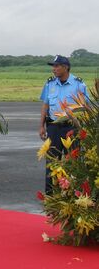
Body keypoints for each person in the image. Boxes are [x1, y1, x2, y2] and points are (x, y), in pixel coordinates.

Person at [39, 54, 90, 195]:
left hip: (72, 128)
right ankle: (50, 196)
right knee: (52, 161)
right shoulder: (50, 83)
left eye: (56, 66)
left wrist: (84, 128)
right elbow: (45, 105)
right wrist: (41, 126)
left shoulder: (78, 84)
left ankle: (73, 194)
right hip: (53, 127)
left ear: (65, 67)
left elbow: (86, 107)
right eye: (53, 66)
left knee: (73, 162)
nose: (53, 69)